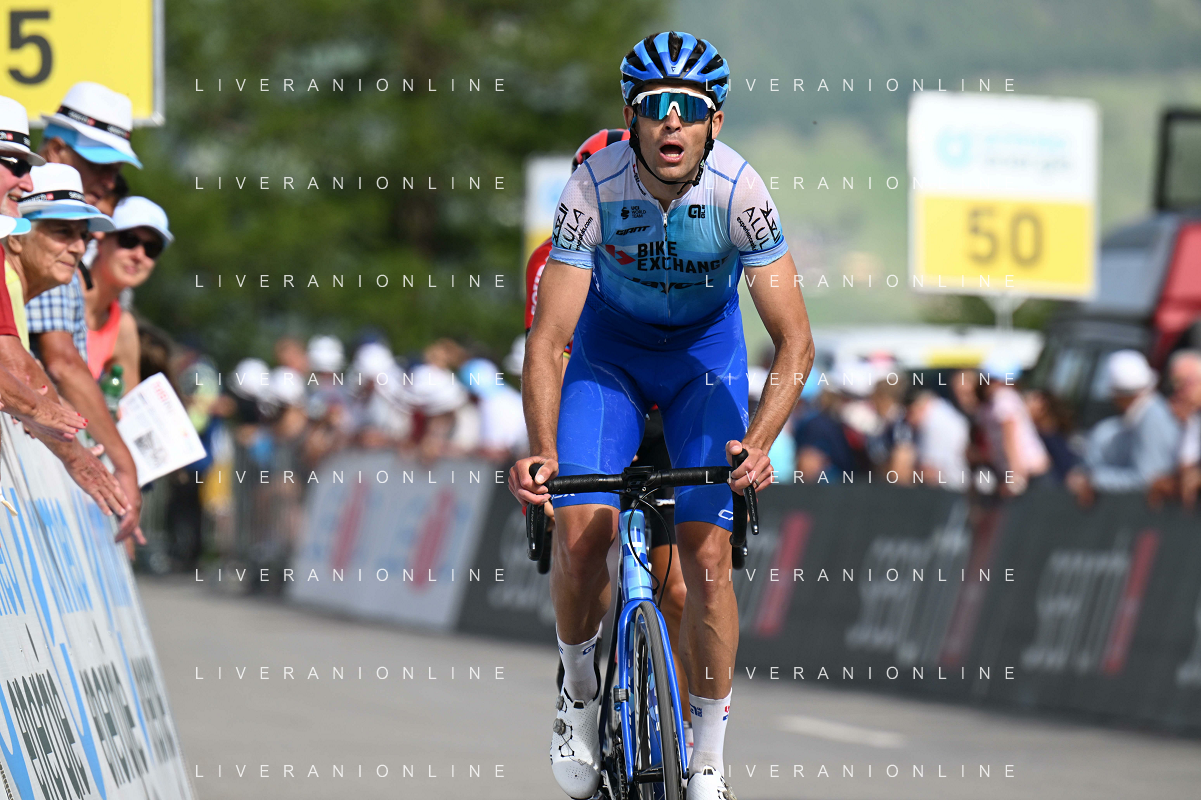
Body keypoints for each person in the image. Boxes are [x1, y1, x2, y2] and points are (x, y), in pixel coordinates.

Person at [509, 31, 815, 800]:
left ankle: (706, 758)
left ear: (714, 122)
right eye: (655, 106)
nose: (672, 120)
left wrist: (760, 442)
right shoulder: (591, 187)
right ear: (631, 118)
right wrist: (542, 451)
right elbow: (547, 341)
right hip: (608, 362)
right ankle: (579, 695)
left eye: (689, 107)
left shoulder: (741, 192)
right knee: (583, 537)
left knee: (705, 567)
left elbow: (794, 343)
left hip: (701, 366)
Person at [27, 83, 144, 545]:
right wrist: (123, 464)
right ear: (56, 150)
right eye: (97, 163)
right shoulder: (41, 230)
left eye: (115, 169)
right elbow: (61, 361)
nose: (109, 181)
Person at [3, 163, 129, 519]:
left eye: (83, 236)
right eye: (62, 232)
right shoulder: (8, 282)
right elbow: (21, 375)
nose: (77, 248)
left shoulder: (15, 290)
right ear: (16, 236)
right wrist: (78, 456)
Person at [1067, 349, 1180, 505]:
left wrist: (1093, 479)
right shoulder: (1148, 414)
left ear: (1117, 394)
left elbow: (1148, 478)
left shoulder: (1152, 418)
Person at [83, 196, 172, 382]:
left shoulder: (123, 326)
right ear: (100, 238)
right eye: (128, 240)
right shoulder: (63, 287)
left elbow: (130, 398)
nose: (139, 255)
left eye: (152, 248)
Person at [974, 358, 1050, 496]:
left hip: (1027, 471)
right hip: (1023, 470)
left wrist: (1015, 473)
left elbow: (1010, 435)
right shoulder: (993, 402)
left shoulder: (1003, 398)